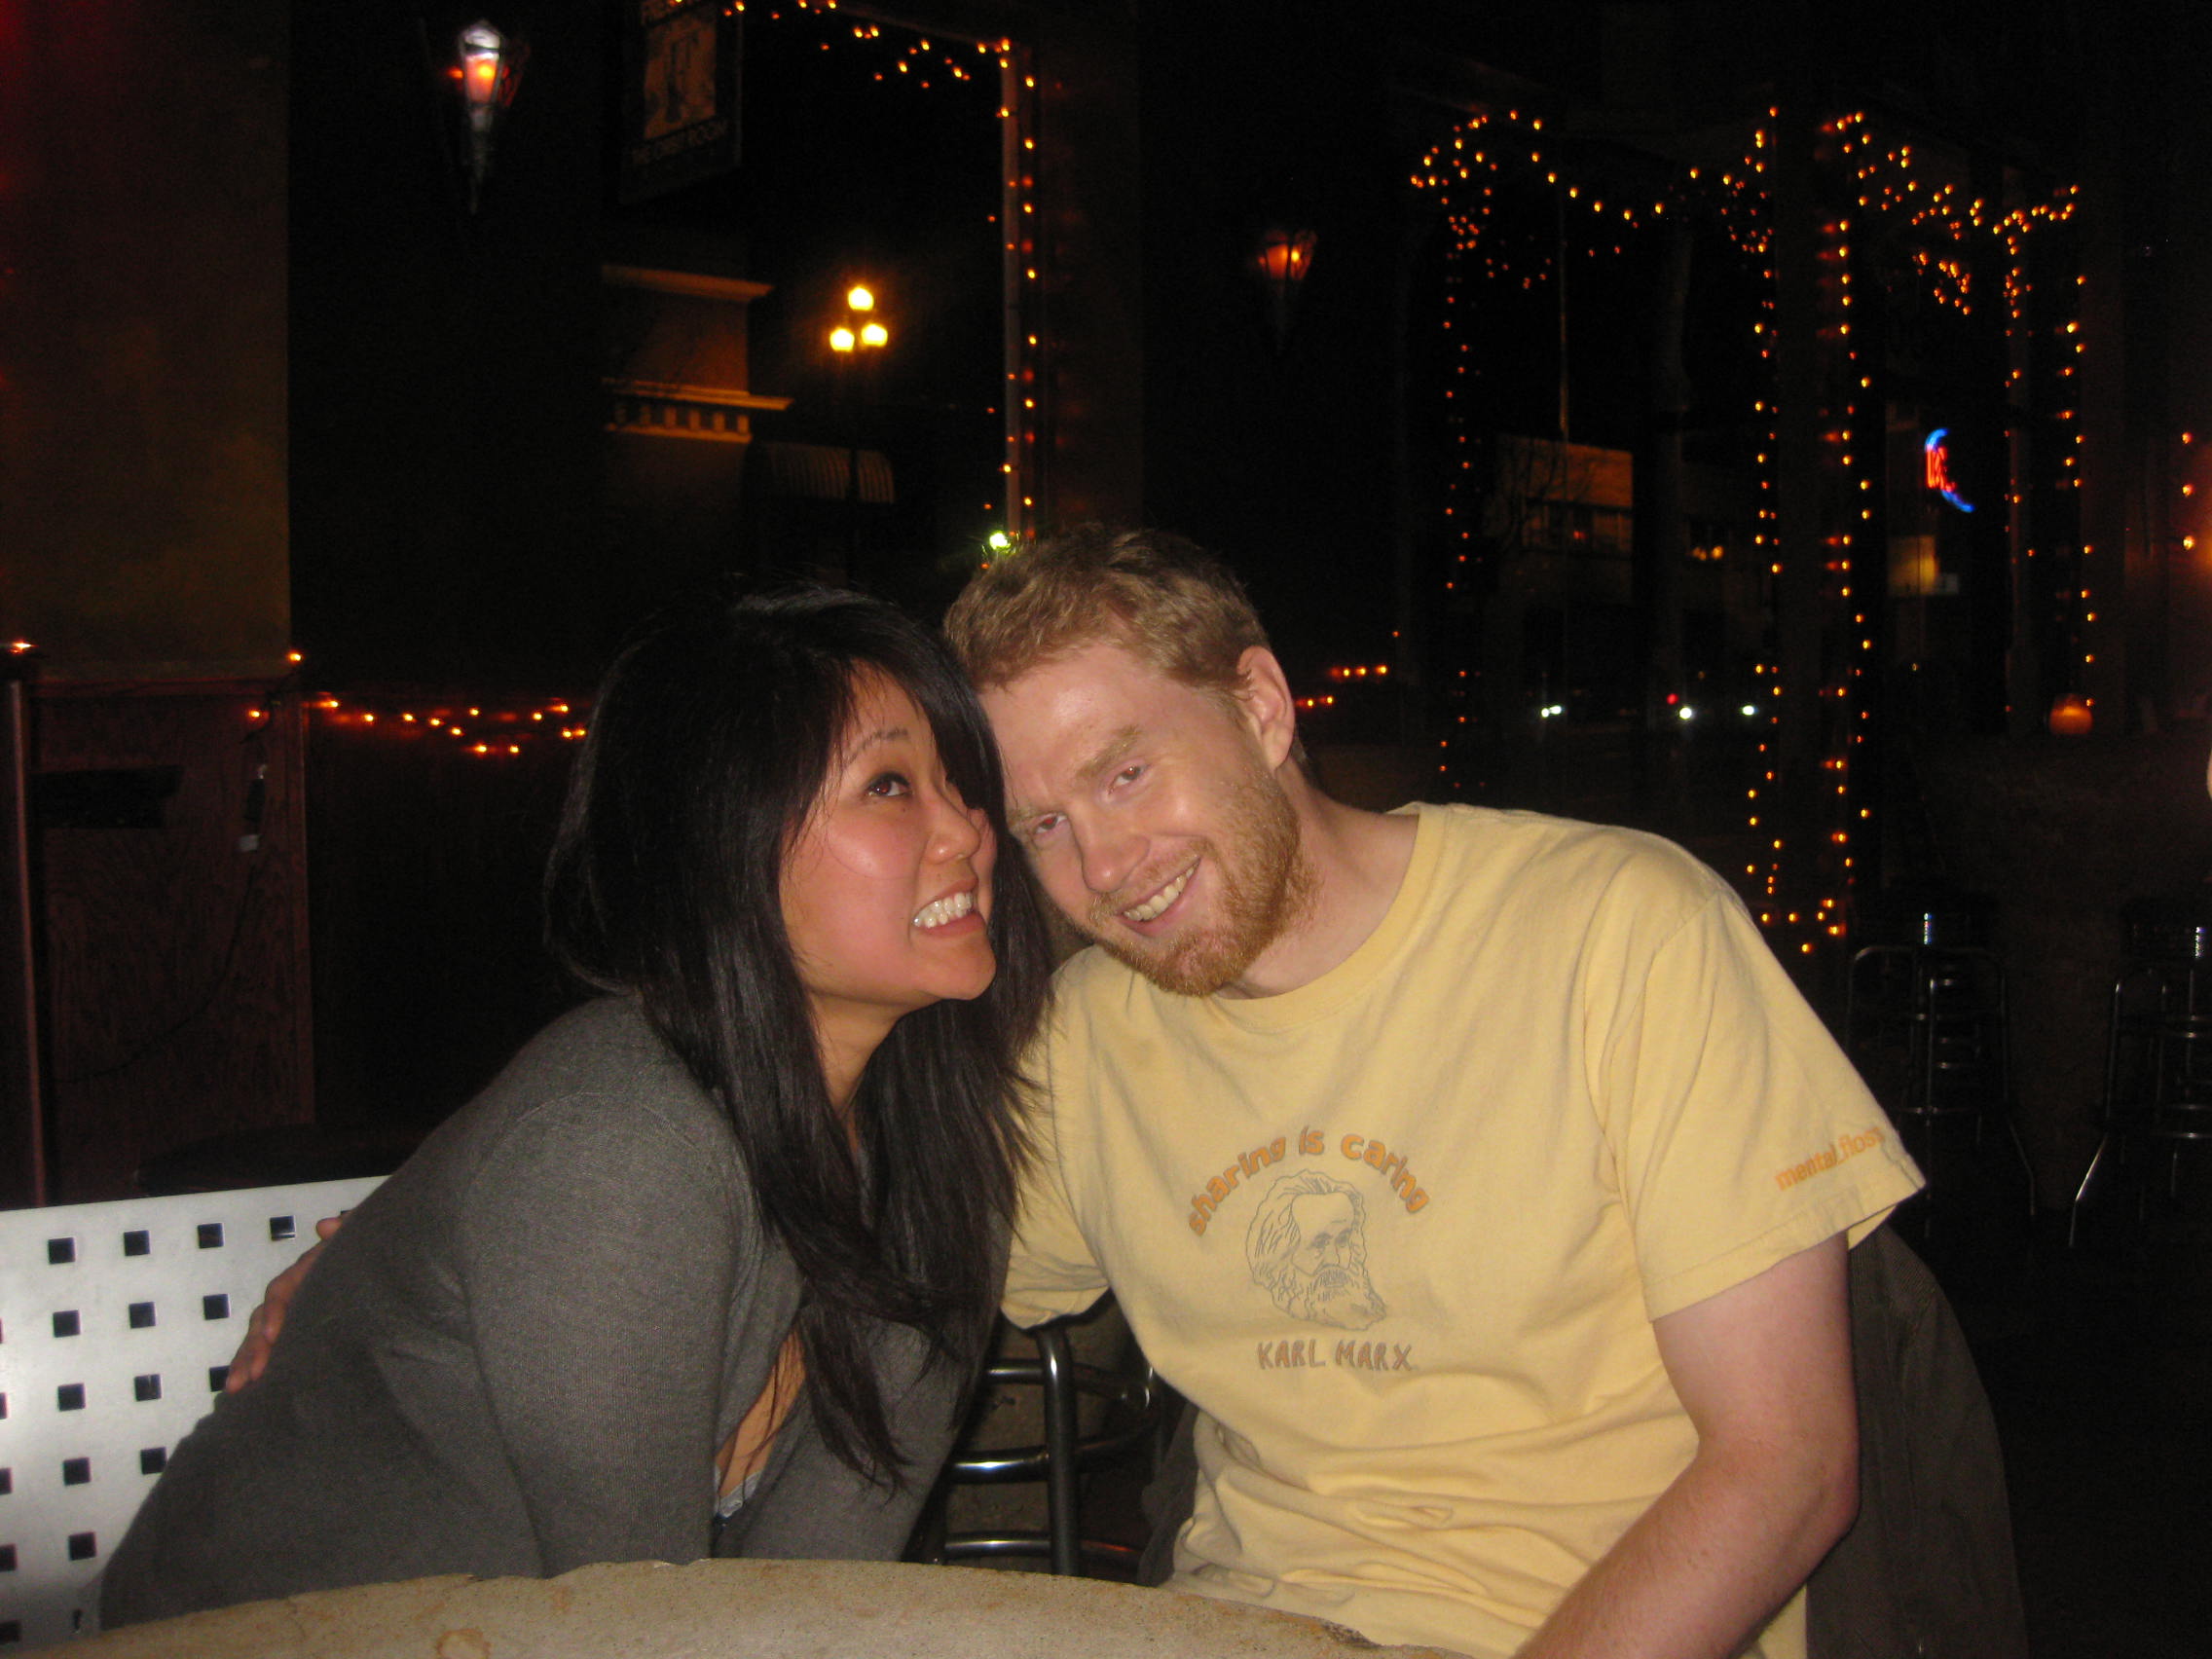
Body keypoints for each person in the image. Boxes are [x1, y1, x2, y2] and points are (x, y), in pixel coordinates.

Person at [939, 527, 1925, 1659]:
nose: (1103, 868)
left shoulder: (1621, 929)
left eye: (1124, 774)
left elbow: (1785, 1466)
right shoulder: (1086, 1036)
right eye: (1045, 827)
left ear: (1260, 709)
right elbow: (896, 1293)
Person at [100, 586, 1051, 1627]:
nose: (969, 830)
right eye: (889, 785)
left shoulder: (934, 1166)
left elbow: (816, 1594)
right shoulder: (620, 1146)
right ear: (720, 843)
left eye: (958, 782)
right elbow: (628, 1622)